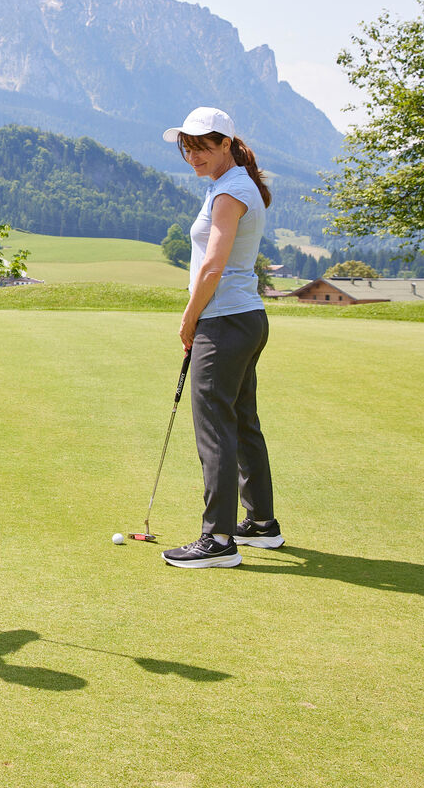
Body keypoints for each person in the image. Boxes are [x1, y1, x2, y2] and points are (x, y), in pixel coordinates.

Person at [159, 106, 283, 569]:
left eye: (202, 148)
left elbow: (213, 266)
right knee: (241, 421)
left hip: (224, 321)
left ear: (226, 144)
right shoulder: (227, 186)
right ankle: (261, 524)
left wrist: (190, 319)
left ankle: (218, 540)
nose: (193, 157)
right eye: (187, 149)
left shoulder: (230, 192)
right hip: (244, 318)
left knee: (215, 430)